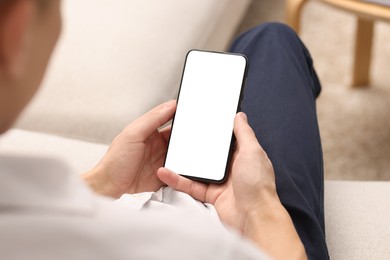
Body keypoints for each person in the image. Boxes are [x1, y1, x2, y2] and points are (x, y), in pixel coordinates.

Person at [0, 0, 329, 259]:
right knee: (272, 39)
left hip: (144, 195)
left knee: (264, 41)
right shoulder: (170, 246)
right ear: (18, 30)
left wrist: (104, 181)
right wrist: (259, 207)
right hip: (255, 236)